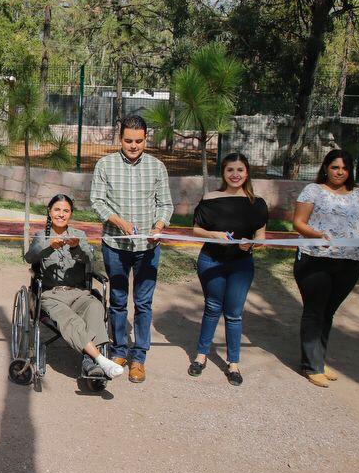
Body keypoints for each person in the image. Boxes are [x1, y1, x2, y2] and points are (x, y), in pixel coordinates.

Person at [89, 115, 173, 383]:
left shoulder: (157, 167)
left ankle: (139, 357)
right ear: (120, 139)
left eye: (138, 141)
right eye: (128, 141)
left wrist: (159, 226)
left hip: (147, 247)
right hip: (115, 245)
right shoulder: (105, 165)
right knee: (118, 300)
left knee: (144, 303)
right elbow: (97, 201)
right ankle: (119, 351)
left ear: (146, 139)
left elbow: (165, 204)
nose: (133, 146)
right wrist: (119, 222)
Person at [23, 195, 125, 381]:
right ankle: (101, 360)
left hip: (79, 293)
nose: (61, 214)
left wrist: (76, 248)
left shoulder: (79, 235)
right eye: (57, 210)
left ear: (70, 214)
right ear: (49, 212)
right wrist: (49, 247)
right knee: (70, 319)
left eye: (66, 211)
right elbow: (29, 258)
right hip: (51, 295)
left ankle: (89, 361)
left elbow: (90, 261)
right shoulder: (41, 236)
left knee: (95, 307)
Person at [187, 153, 268, 386]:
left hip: (241, 264)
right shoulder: (211, 198)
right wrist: (213, 234)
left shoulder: (257, 203)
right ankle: (201, 356)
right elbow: (196, 230)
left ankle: (233, 363)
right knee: (212, 307)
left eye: (240, 170)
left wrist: (251, 243)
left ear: (247, 172)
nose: (235, 174)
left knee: (234, 313)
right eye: (230, 170)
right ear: (223, 173)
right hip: (211, 261)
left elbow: (261, 237)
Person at [292, 149, 359, 388]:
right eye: (335, 167)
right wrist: (319, 235)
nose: (340, 172)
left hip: (349, 262)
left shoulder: (358, 195)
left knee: (328, 312)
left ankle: (319, 360)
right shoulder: (313, 190)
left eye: (345, 168)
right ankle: (311, 366)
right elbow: (298, 223)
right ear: (326, 167)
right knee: (314, 311)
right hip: (316, 259)